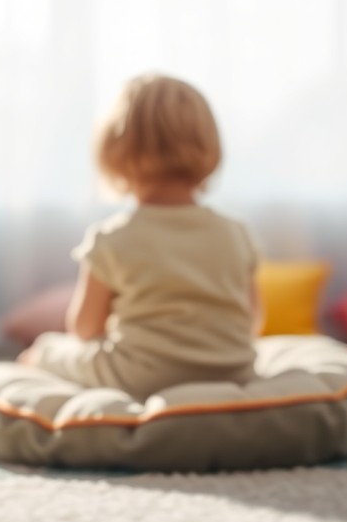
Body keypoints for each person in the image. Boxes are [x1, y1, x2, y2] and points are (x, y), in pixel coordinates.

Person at [19, 73, 262, 400]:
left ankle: (36, 360)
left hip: (139, 378)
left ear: (113, 153)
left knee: (48, 349)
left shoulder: (111, 239)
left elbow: (85, 329)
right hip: (234, 372)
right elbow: (253, 321)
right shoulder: (237, 233)